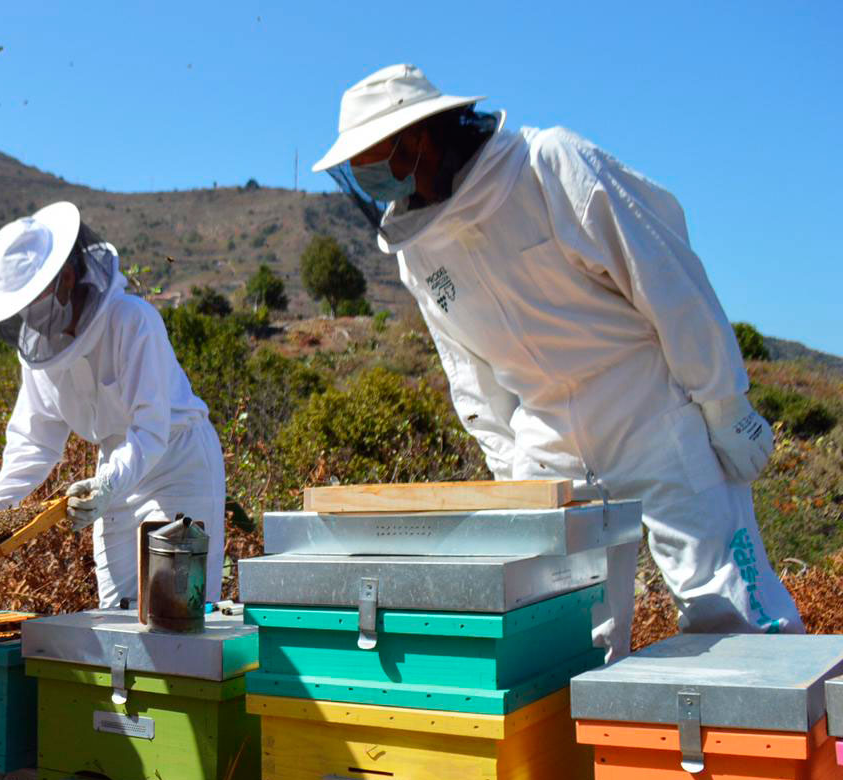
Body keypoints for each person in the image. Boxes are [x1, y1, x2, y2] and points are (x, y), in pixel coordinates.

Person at [310, 64, 802, 651]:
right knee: (566, 640)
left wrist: (723, 401)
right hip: (547, 441)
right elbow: (469, 375)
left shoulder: (549, 166)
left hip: (649, 411)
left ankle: (778, 738)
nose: (366, 178)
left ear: (419, 137)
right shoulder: (417, 252)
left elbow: (666, 279)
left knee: (728, 607)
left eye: (374, 157)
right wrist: (511, 475)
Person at [0, 202, 227, 610]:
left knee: (178, 612)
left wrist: (108, 484)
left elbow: (150, 430)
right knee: (117, 613)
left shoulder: (132, 321)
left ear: (66, 278)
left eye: (33, 300)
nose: (28, 317)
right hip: (112, 471)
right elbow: (35, 441)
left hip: (177, 462)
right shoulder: (40, 358)